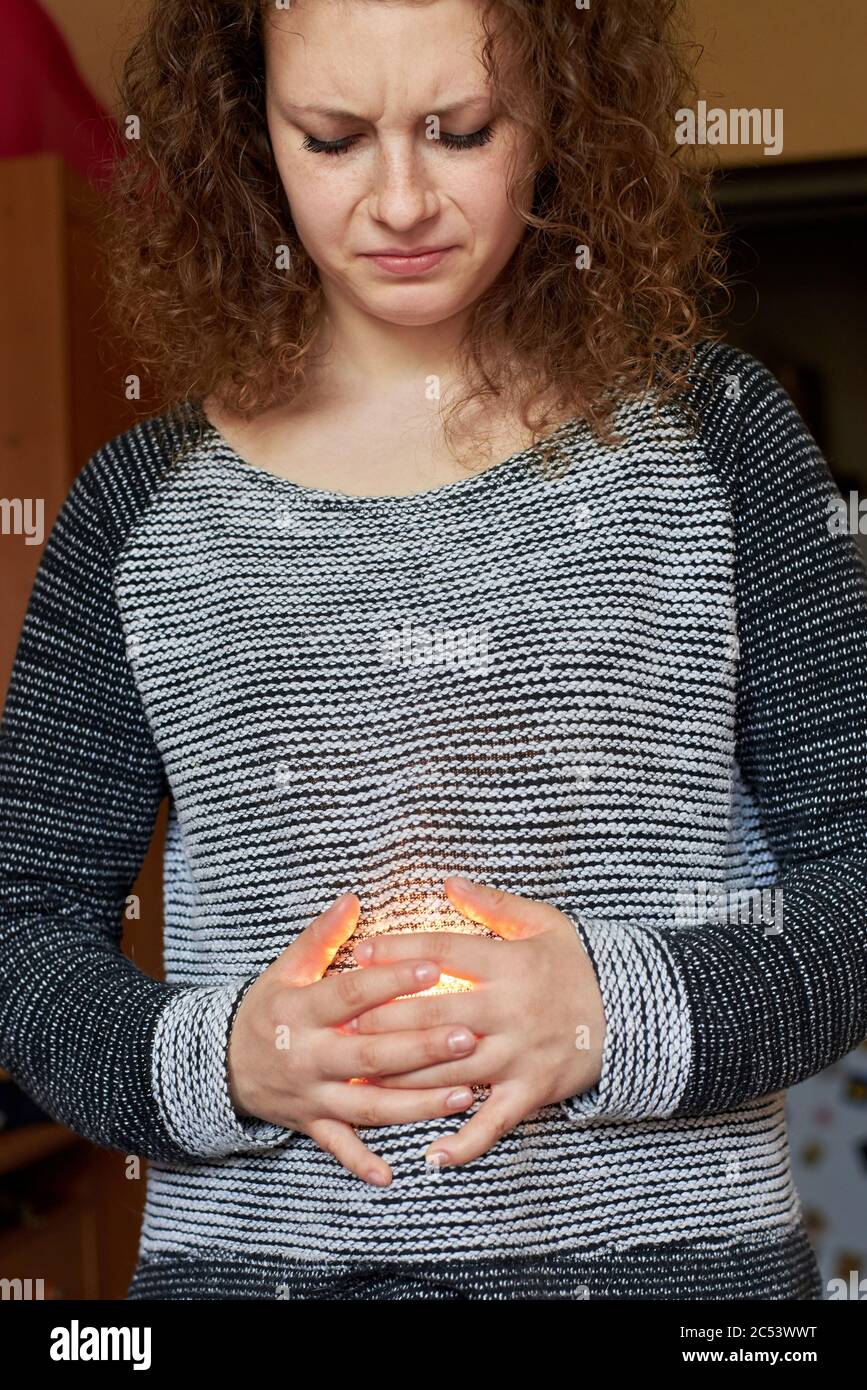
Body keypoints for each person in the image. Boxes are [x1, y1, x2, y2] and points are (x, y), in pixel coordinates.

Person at [2, 0, 866, 1302]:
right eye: (334, 138)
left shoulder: (724, 440)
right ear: (252, 127)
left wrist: (613, 1008)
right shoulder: (140, 508)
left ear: (560, 110)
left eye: (459, 130)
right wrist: (225, 1055)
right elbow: (24, 938)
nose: (400, 199)